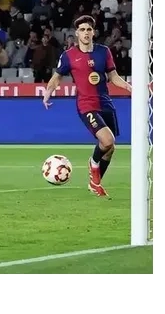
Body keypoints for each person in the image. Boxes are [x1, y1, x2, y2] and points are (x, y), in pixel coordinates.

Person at [42, 15, 132, 198]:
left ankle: (94, 183)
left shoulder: (103, 52)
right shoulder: (69, 56)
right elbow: (57, 77)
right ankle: (93, 162)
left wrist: (129, 87)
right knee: (107, 140)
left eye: (89, 29)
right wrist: (48, 92)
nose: (86, 33)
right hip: (86, 105)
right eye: (82, 30)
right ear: (77, 33)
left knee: (110, 148)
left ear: (93, 32)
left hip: (105, 103)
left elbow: (113, 76)